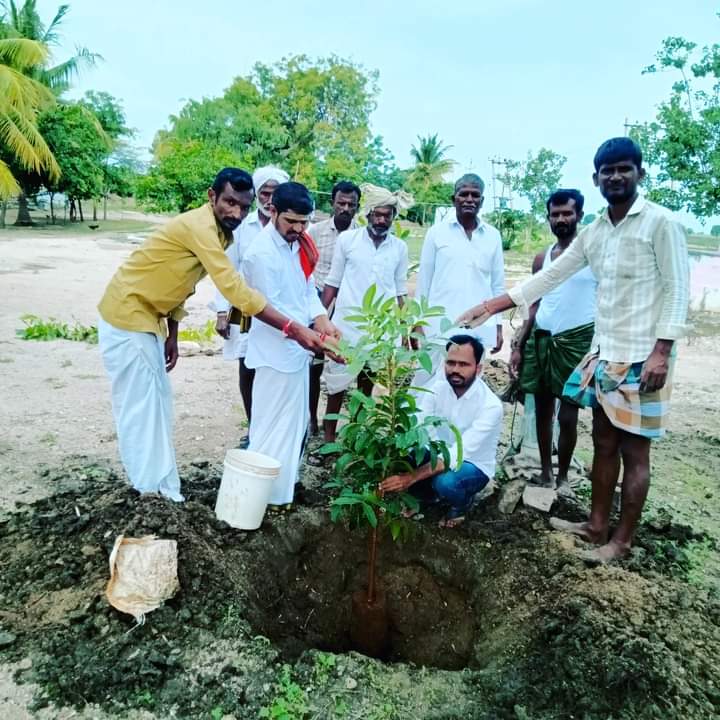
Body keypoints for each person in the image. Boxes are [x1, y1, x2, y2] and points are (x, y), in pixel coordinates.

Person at [458, 138, 689, 562]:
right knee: (603, 442)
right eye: (607, 171)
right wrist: (491, 306)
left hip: (644, 355)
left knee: (634, 451)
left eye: (624, 168)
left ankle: (621, 541)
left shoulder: (661, 223)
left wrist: (662, 350)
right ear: (596, 178)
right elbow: (550, 277)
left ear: (640, 172)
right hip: (605, 351)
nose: (615, 177)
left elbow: (677, 290)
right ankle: (596, 524)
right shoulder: (597, 233)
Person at [98, 168, 328, 502]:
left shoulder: (222, 233)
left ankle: (164, 491)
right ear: (212, 196)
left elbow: (181, 283)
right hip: (127, 315)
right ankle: (149, 493)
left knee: (158, 405)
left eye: (244, 207)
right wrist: (294, 329)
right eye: (230, 202)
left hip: (149, 319)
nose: (236, 212)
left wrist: (172, 331)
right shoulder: (201, 228)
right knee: (141, 409)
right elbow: (234, 289)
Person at [242, 182, 341, 509]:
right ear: (272, 211)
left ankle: (283, 492)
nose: (298, 229)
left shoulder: (297, 245)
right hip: (274, 354)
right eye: (291, 222)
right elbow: (272, 309)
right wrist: (309, 335)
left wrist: (321, 319)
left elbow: (305, 288)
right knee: (270, 428)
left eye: (304, 222)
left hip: (297, 352)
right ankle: (260, 497)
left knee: (295, 425)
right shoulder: (260, 254)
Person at [510, 189, 597, 496]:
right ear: (548, 218)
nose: (561, 219)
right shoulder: (542, 258)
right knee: (543, 409)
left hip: (577, 342)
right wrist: (519, 344)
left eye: (567, 213)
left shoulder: (592, 255)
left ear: (579, 216)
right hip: (541, 339)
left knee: (568, 414)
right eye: (555, 214)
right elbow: (533, 304)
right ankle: (545, 472)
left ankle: (562, 477)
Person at [315, 184, 409, 453]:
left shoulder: (399, 248)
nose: (381, 220)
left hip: (380, 329)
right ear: (367, 214)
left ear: (393, 217)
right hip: (347, 325)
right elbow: (332, 282)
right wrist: (319, 317)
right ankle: (329, 438)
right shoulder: (348, 241)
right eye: (377, 214)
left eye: (387, 215)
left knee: (366, 386)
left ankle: (356, 438)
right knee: (336, 385)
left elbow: (400, 290)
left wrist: (404, 328)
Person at [380, 335, 503, 528]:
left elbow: (456, 455)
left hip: (471, 464)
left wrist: (410, 478)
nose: (455, 370)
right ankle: (423, 498)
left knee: (446, 482)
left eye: (463, 364)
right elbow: (418, 427)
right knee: (405, 452)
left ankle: (461, 505)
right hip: (438, 453)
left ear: (478, 369)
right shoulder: (438, 389)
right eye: (451, 362)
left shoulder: (490, 406)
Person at [212, 166, 289, 442]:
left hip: (281, 310)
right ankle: (253, 427)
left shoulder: (290, 228)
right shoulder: (242, 227)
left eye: (275, 194)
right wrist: (222, 310)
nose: (270, 199)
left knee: (276, 368)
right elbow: (227, 270)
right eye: (265, 193)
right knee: (248, 367)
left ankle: (274, 430)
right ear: (257, 195)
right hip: (246, 311)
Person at [415, 173, 505, 385]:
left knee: (468, 385)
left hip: (477, 326)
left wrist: (498, 326)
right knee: (426, 383)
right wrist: (417, 324)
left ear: (482, 201)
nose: (469, 199)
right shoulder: (436, 233)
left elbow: (497, 284)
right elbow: (423, 283)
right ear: (453, 198)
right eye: (464, 194)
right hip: (437, 325)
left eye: (475, 195)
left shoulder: (493, 235)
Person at [307, 181, 361, 434]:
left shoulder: (361, 235)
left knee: (348, 363)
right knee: (314, 364)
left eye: (351, 204)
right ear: (333, 203)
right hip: (319, 303)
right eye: (341, 202)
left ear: (358, 207)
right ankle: (311, 419)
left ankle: (352, 426)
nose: (346, 208)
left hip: (348, 308)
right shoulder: (315, 232)